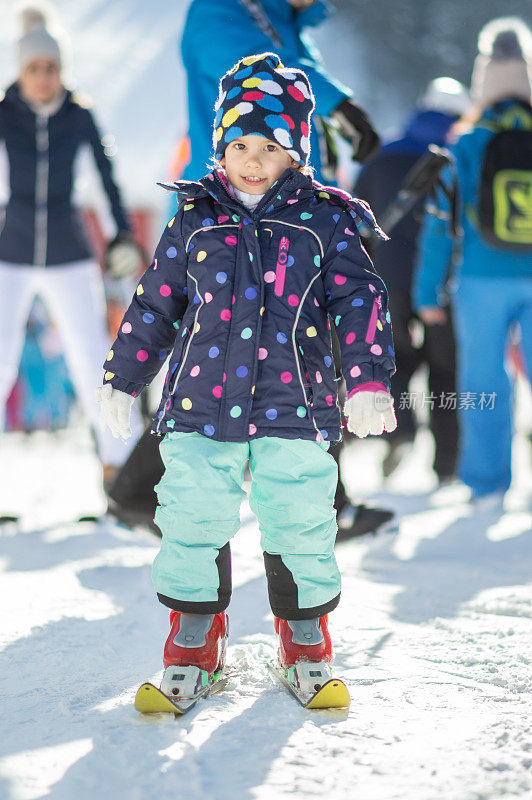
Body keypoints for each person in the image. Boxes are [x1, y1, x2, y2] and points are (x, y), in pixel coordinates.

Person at [97, 53, 396, 695]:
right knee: (193, 515)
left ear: (296, 153)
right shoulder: (195, 216)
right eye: (239, 143)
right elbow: (156, 303)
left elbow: (359, 299)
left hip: (297, 405)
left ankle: (305, 630)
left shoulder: (325, 220)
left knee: (300, 517)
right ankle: (196, 631)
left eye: (269, 145)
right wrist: (123, 376)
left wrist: (369, 380)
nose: (252, 159)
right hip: (201, 406)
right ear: (220, 148)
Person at [0, 4, 143, 497]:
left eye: (51, 68)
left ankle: (119, 473)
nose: (43, 78)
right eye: (34, 69)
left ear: (62, 70)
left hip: (67, 249)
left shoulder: (79, 115)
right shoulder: (4, 111)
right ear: (20, 72)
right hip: (11, 250)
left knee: (92, 362)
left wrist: (122, 234)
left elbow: (108, 180)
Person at [414, 18, 532, 509]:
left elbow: (440, 225)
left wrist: (426, 293)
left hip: (479, 279)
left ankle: (487, 484)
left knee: (483, 379)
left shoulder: (466, 144)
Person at [354, 78, 471, 482]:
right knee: (445, 370)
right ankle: (447, 465)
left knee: (395, 362)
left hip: (386, 279)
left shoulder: (382, 156)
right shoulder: (456, 158)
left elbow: (356, 220)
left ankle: (400, 432)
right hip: (439, 283)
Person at [178, 0, 380, 188]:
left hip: (294, 203)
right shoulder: (218, 8)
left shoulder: (286, 26)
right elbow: (256, 73)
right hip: (235, 205)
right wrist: (338, 106)